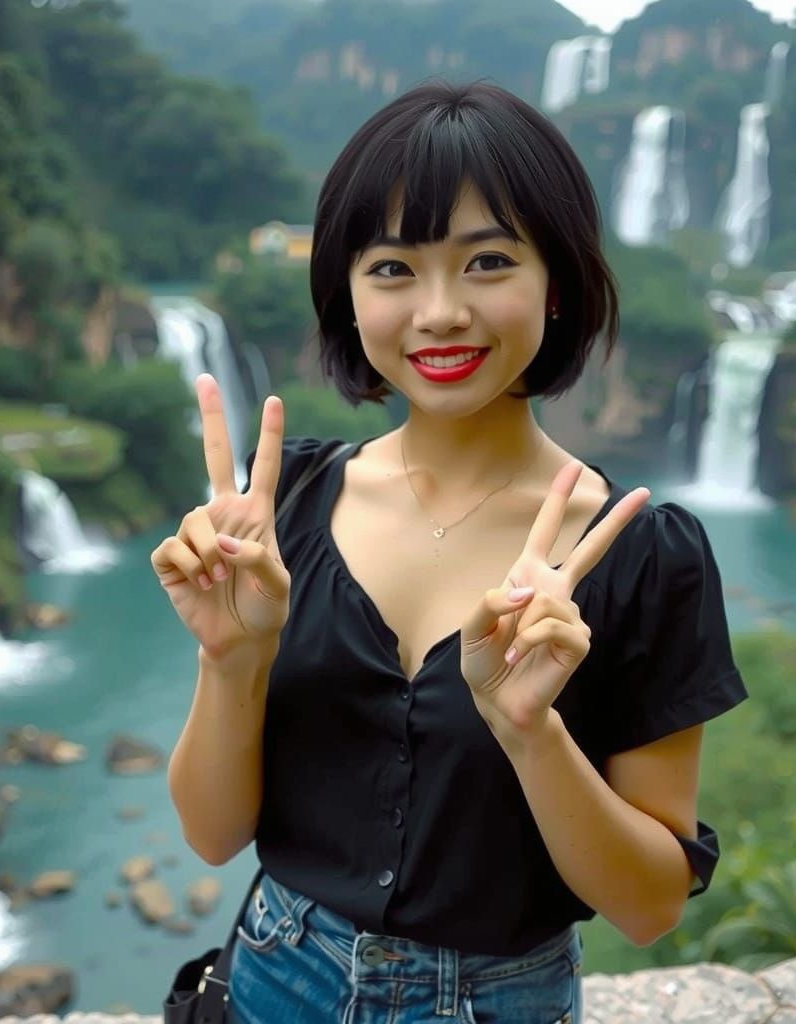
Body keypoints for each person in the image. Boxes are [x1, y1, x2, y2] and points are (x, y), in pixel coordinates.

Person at [152, 79, 749, 1024]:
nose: (439, 312)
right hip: (274, 977)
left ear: (557, 283)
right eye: (393, 268)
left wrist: (531, 732)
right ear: (348, 295)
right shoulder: (282, 511)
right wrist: (232, 657)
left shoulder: (639, 557)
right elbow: (213, 835)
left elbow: (649, 907)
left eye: (488, 262)